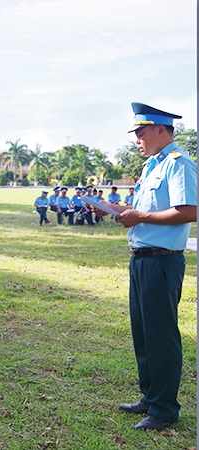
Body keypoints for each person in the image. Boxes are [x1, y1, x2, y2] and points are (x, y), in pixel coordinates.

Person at [94, 103, 196, 431]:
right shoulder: (152, 166)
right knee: (143, 334)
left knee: (161, 336)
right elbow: (143, 210)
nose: (137, 139)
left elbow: (189, 210)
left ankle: (165, 409)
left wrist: (140, 217)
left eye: (141, 132)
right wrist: (113, 209)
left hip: (163, 262)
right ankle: (150, 398)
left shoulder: (179, 165)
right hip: (140, 260)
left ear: (161, 130)